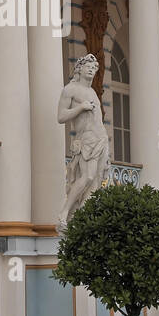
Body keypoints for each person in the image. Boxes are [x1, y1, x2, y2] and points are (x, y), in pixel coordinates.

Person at [56, 53, 110, 232]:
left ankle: (83, 218)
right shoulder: (69, 90)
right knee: (86, 176)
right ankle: (64, 213)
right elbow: (61, 116)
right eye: (89, 67)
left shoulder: (93, 91)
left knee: (95, 182)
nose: (93, 70)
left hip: (100, 139)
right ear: (79, 68)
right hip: (85, 140)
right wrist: (80, 107)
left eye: (95, 68)